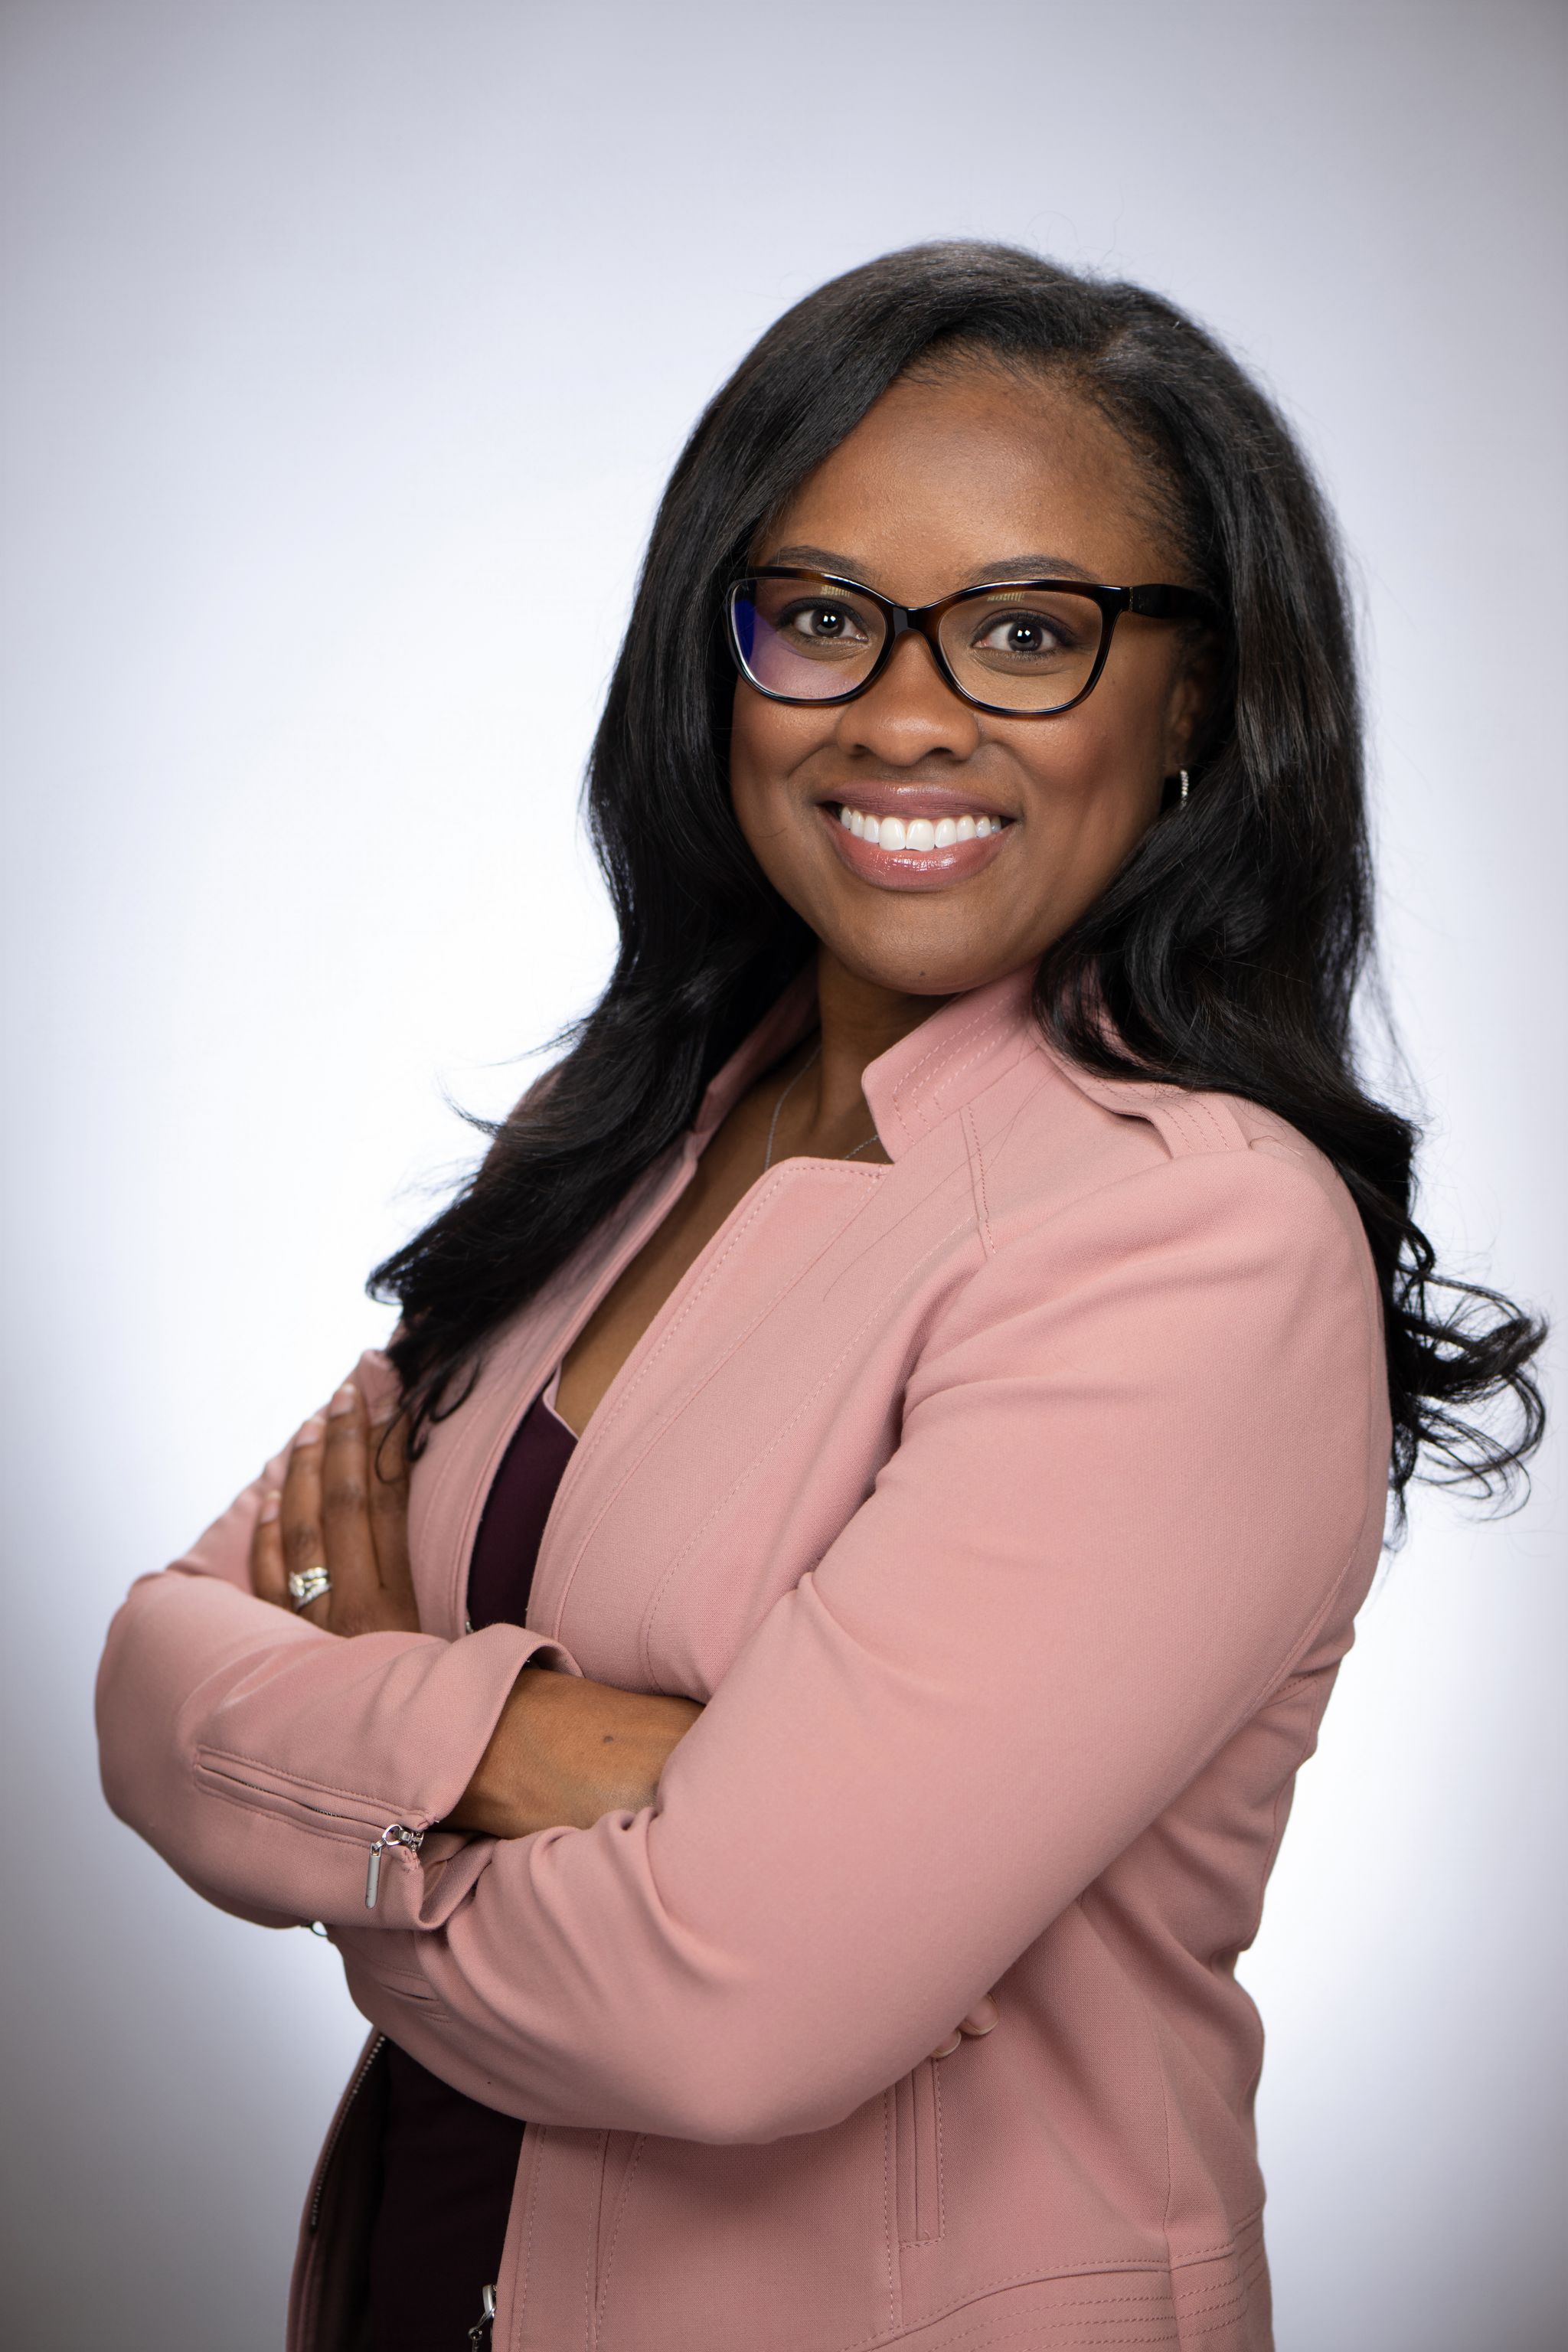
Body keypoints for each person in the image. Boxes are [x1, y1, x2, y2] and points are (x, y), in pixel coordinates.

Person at [96, 243, 1544, 2352]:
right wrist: (536, 1749)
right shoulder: (624, 1127)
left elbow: (724, 2017)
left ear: (1198, 699)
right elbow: (152, 1676)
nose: (906, 714)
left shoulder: (1190, 1238)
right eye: (826, 617)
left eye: (1030, 631)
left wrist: (355, 1790)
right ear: (724, 654)